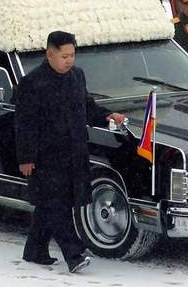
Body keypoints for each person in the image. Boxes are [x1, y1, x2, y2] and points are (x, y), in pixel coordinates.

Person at [14, 31, 126, 273]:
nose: (69, 61)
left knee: (51, 204)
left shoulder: (77, 76)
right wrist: (26, 157)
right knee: (58, 205)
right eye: (64, 56)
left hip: (74, 151)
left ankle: (35, 250)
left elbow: (86, 106)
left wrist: (107, 115)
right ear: (49, 55)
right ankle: (74, 254)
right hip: (46, 156)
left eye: (72, 55)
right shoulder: (32, 83)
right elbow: (25, 123)